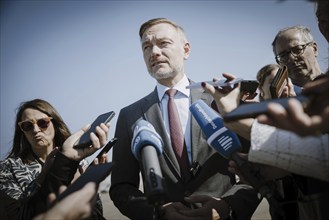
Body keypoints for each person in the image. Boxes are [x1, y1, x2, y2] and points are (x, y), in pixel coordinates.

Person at [109, 18, 260, 220]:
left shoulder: (222, 101)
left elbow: (258, 170)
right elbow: (122, 187)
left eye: (163, 43)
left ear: (186, 50)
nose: (154, 52)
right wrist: (158, 212)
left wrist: (227, 206)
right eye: (146, 47)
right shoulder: (130, 115)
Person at [0, 99, 109, 219]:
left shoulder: (78, 160)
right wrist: (42, 177)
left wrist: (89, 185)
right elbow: (15, 214)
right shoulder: (7, 168)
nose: (36, 130)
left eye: (42, 123)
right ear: (22, 131)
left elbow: (96, 213)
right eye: (28, 125)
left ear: (55, 124)